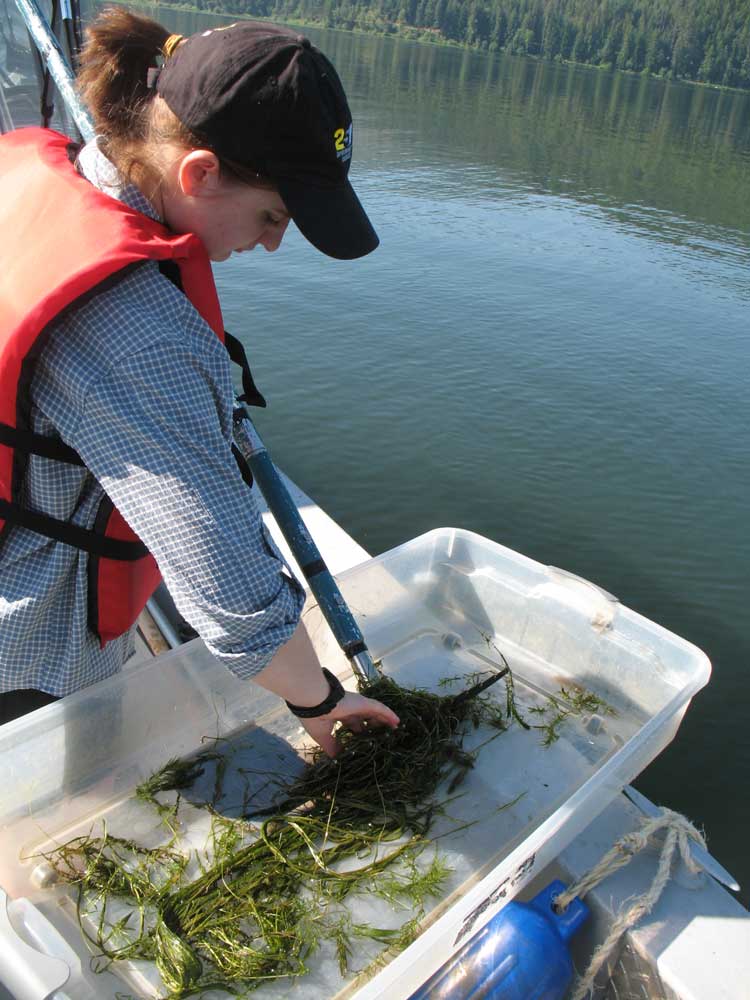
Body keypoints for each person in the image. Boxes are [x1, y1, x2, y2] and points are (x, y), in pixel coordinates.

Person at [0, 8, 399, 751]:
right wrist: (319, 702)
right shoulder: (138, 334)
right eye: (274, 215)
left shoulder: (44, 179)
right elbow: (225, 580)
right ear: (201, 172)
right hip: (26, 656)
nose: (275, 244)